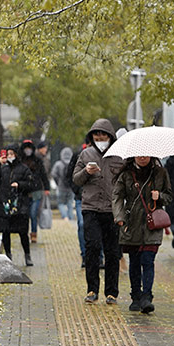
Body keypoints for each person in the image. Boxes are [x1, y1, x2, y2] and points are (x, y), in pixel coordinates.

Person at [112, 156, 173, 313]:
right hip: (132, 223)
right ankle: (135, 296)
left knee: (147, 260)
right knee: (135, 261)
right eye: (139, 154)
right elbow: (117, 196)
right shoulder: (126, 174)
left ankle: (147, 296)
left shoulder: (160, 173)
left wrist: (159, 196)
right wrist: (120, 218)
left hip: (152, 224)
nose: (142, 157)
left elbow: (169, 196)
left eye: (145, 153)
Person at [72, 119, 122, 305]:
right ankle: (92, 289)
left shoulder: (119, 156)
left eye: (103, 135)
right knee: (92, 248)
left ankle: (111, 292)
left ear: (110, 136)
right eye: (96, 134)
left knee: (112, 251)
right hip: (91, 208)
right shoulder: (85, 154)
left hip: (111, 209)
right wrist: (86, 171)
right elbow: (76, 179)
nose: (100, 138)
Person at [0, 145, 36, 266]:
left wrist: (19, 185)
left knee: (22, 231)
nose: (10, 156)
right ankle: (8, 255)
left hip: (20, 204)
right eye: (8, 154)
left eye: (12, 154)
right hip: (5, 203)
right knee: (6, 230)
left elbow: (31, 183)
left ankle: (27, 255)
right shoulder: (3, 168)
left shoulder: (24, 169)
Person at [19, 139, 50, 243]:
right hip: (24, 191)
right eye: (25, 148)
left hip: (36, 190)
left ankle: (33, 233)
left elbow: (43, 175)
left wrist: (46, 187)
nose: (27, 150)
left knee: (33, 213)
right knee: (25, 214)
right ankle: (25, 233)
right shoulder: (20, 161)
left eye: (29, 148)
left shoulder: (37, 161)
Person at [66, 144, 87, 266]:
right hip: (81, 197)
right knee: (82, 224)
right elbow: (70, 175)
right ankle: (84, 254)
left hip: (98, 198)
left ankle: (99, 256)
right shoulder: (78, 155)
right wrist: (76, 189)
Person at [51, 146, 75, 220]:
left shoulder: (58, 164)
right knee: (70, 204)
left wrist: (58, 182)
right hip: (71, 188)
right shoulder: (73, 164)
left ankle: (64, 216)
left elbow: (54, 174)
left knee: (60, 203)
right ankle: (71, 217)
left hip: (61, 187)